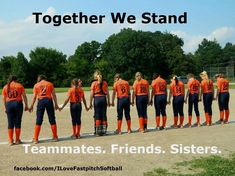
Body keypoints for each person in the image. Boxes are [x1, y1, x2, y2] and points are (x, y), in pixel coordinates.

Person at [29, 75, 59, 144]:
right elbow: (54, 95)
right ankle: (55, 137)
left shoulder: (36, 85)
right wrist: (56, 104)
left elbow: (34, 97)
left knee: (39, 119)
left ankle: (36, 138)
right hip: (49, 101)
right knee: (52, 118)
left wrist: (31, 106)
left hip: (41, 101)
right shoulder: (50, 84)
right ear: (45, 79)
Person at [2, 75, 29, 145]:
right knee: (18, 122)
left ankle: (10, 140)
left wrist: (5, 107)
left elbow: (4, 98)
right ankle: (17, 140)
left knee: (10, 123)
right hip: (18, 104)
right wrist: (26, 105)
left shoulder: (5, 86)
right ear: (16, 79)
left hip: (9, 104)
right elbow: (24, 96)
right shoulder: (19, 85)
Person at [89, 71, 110, 136]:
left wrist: (90, 103)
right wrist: (108, 101)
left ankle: (98, 132)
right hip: (103, 99)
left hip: (97, 99)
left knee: (97, 115)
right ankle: (104, 131)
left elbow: (92, 94)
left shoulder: (94, 83)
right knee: (103, 115)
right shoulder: (105, 82)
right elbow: (107, 93)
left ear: (95, 76)